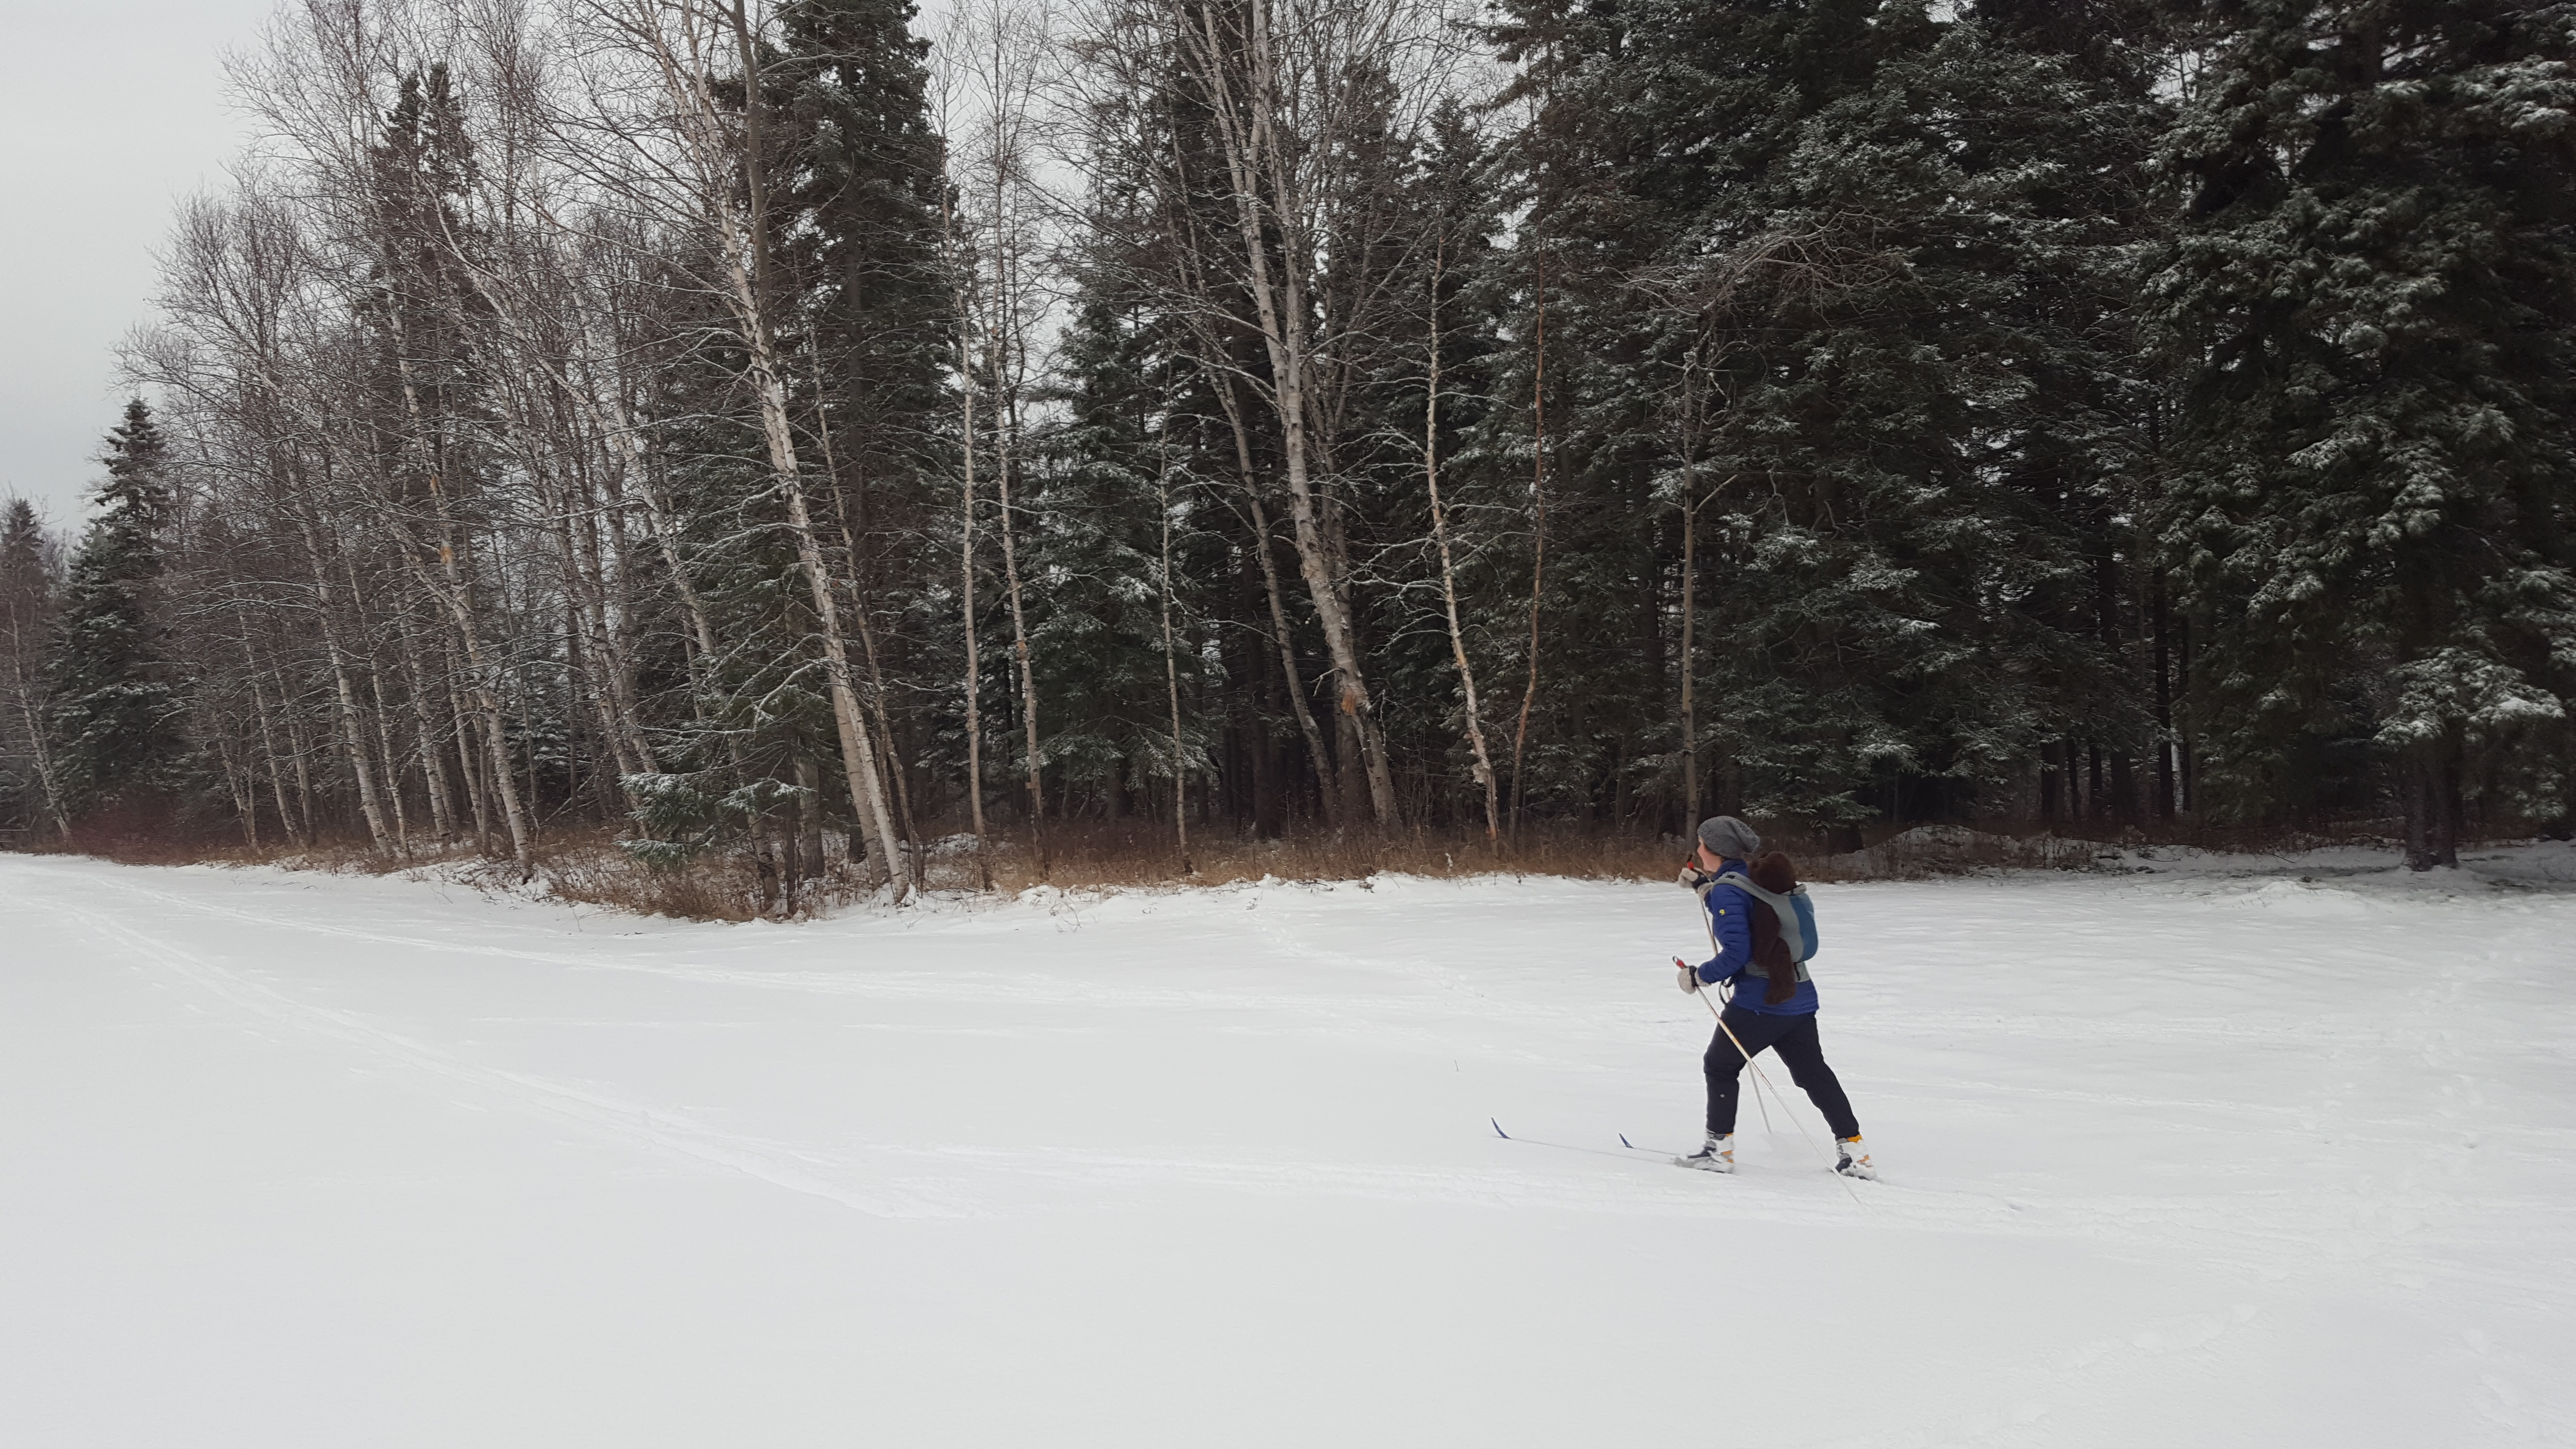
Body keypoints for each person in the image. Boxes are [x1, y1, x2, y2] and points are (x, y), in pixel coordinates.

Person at [1672, 815, 1874, 1177]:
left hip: (1760, 1002)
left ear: (1714, 849)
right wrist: (1705, 888)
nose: (1698, 849)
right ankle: (1855, 1151)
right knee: (1813, 1073)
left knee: (1720, 1066)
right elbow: (1746, 914)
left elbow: (1735, 952)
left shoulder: (1729, 889)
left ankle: (1718, 1151)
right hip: (1799, 995)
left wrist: (1697, 976)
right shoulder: (1756, 876)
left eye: (1702, 843)